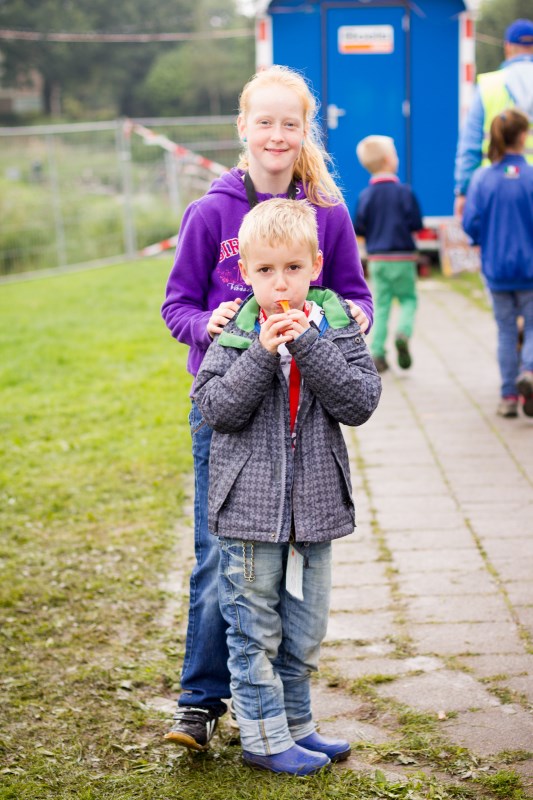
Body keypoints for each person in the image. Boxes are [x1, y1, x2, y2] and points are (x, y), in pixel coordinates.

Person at [161, 64, 374, 751]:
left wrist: (353, 327)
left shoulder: (328, 212)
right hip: (226, 400)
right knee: (214, 557)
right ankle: (199, 703)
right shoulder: (210, 212)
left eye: (291, 123)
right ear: (242, 129)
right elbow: (175, 306)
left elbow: (354, 291)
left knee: (288, 573)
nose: (276, 135)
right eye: (264, 122)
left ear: (304, 130)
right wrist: (213, 325)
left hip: (303, 405)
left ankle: (282, 713)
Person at [193, 198, 381, 775]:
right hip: (248, 513)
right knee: (254, 630)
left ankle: (298, 726)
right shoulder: (235, 330)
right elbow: (216, 408)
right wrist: (262, 350)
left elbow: (360, 401)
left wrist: (307, 344)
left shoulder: (334, 325)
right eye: (267, 271)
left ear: (316, 266)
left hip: (314, 510)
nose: (281, 284)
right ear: (246, 273)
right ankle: (263, 736)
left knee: (304, 628)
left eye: (293, 269)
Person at [462, 108, 533, 418]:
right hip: (530, 269)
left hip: (497, 269)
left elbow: (471, 223)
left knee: (505, 331)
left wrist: (484, 240)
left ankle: (508, 396)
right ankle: (529, 371)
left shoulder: (482, 178)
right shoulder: (530, 176)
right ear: (523, 136)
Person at [353, 135, 422, 374]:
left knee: (381, 304)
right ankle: (403, 332)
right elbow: (416, 222)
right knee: (408, 299)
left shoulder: (365, 196)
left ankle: (379, 353)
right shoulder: (405, 192)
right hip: (403, 257)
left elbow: (359, 227)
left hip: (378, 259)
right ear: (388, 160)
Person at [454, 17, 533, 218]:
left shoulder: (489, 86)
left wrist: (462, 191)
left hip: (494, 189)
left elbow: (470, 144)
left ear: (507, 47)